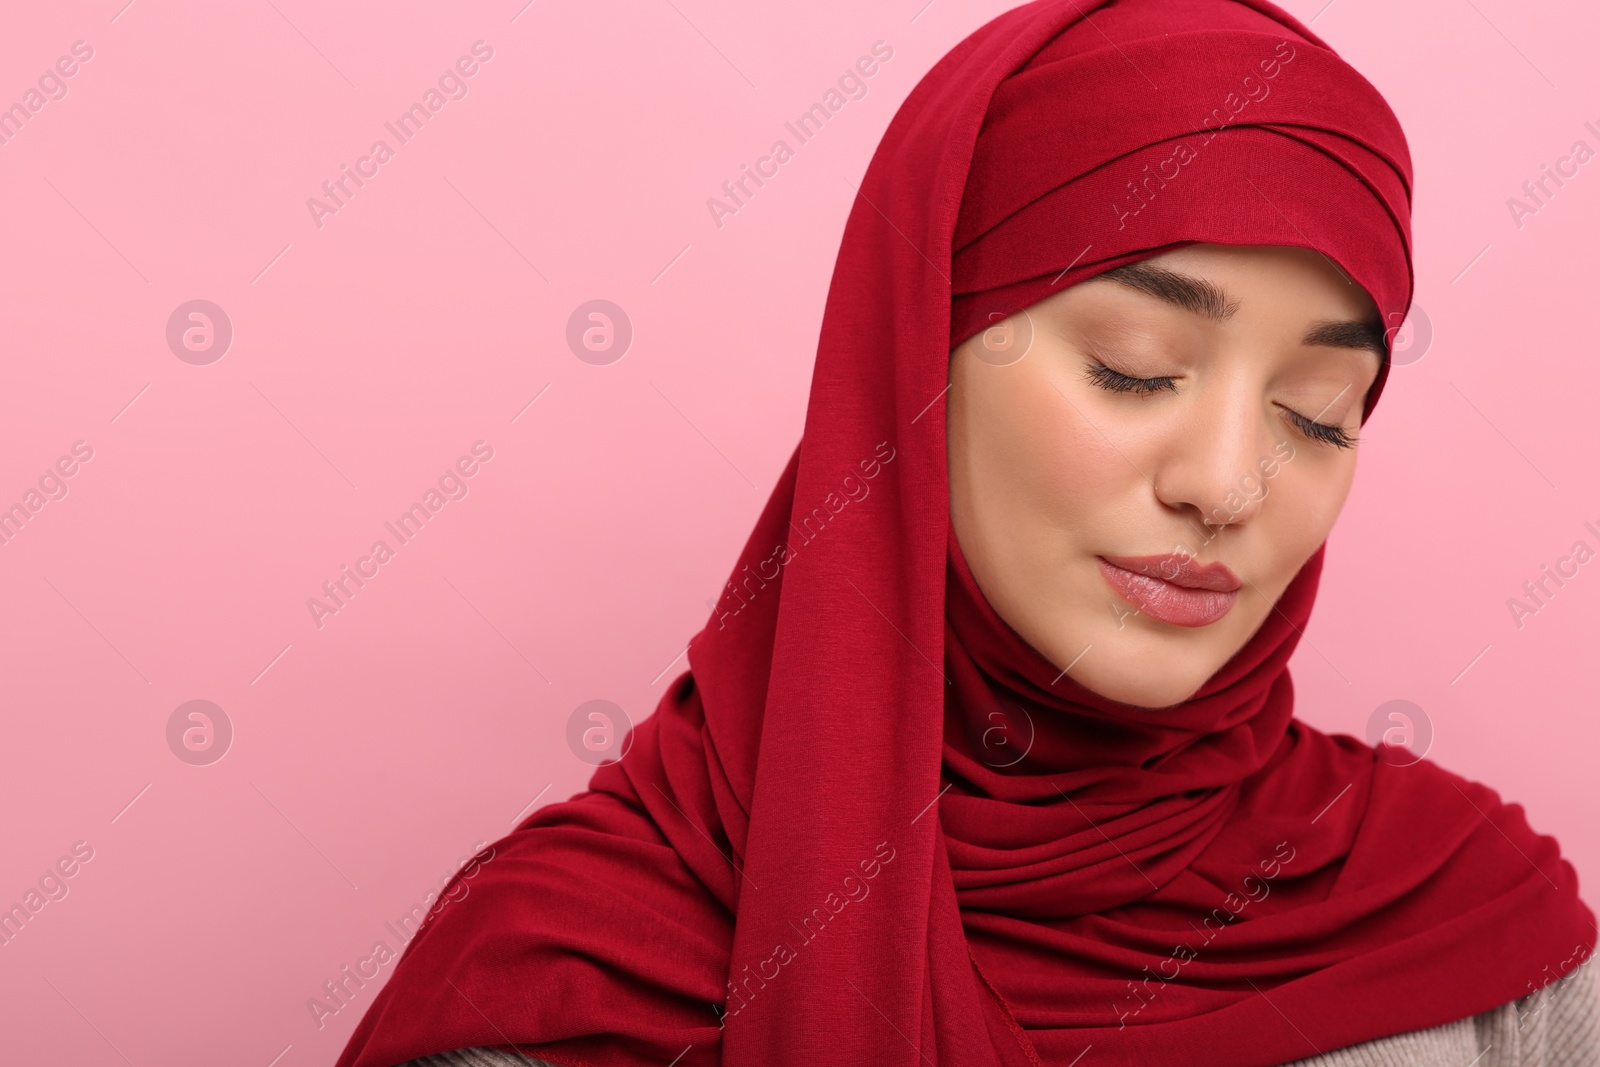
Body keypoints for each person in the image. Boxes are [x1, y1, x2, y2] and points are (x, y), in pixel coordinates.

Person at [335, 1, 1599, 1065]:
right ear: (913, 364)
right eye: (1133, 366)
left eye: (1319, 417)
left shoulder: (1462, 915)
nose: (1228, 485)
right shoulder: (574, 971)